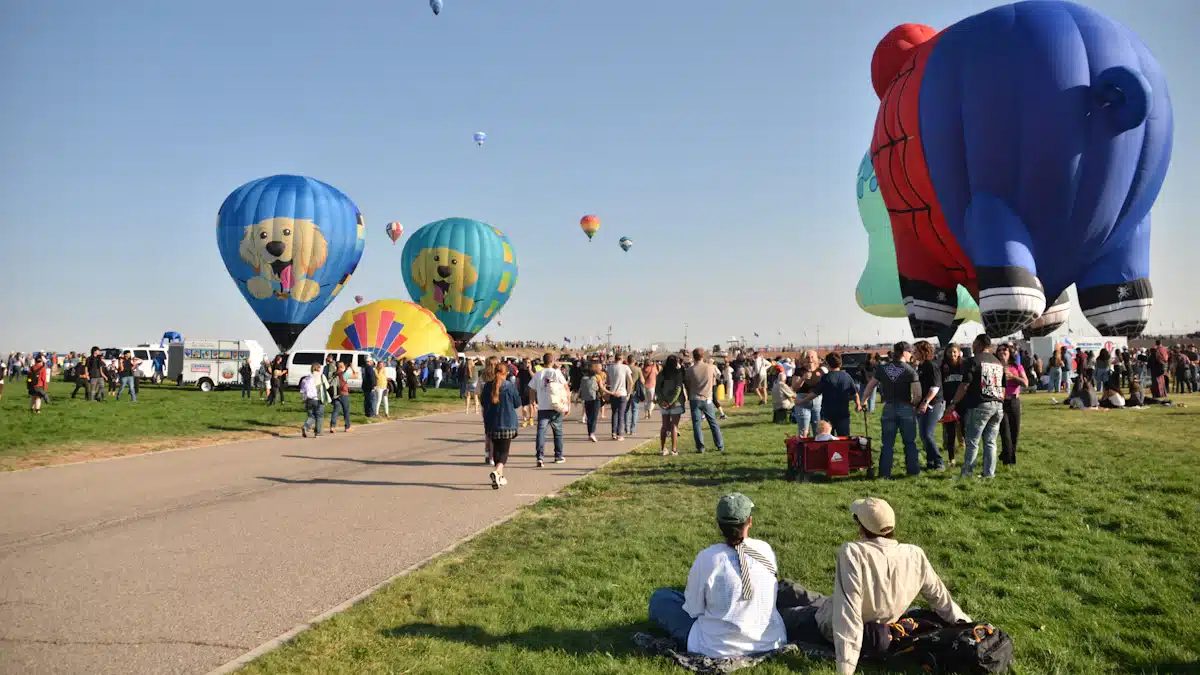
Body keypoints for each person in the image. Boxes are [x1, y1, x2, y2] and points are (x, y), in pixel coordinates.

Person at [777, 498, 970, 675]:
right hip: (838, 609)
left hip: (826, 624)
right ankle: (777, 586)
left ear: (861, 527)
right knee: (791, 589)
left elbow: (848, 614)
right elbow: (941, 599)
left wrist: (845, 668)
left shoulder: (854, 552)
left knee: (782, 615)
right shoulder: (914, 554)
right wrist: (967, 624)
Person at [648, 493, 787, 657]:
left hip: (716, 648)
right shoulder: (765, 549)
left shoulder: (708, 558)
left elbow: (693, 609)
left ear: (718, 524)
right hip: (770, 641)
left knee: (661, 598)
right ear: (750, 521)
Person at [861, 342, 921, 478]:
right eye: (910, 352)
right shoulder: (910, 370)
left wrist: (863, 401)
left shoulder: (882, 369)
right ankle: (913, 472)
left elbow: (870, 386)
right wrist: (913, 404)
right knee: (909, 442)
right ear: (905, 353)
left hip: (888, 407)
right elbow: (917, 393)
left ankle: (884, 473)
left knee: (887, 443)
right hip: (905, 406)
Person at [949, 334, 1005, 479]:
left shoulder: (973, 361)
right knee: (991, 442)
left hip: (980, 404)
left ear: (979, 345)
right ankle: (989, 474)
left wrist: (954, 402)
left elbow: (964, 384)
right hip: (998, 405)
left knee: (972, 441)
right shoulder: (998, 362)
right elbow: (1003, 387)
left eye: (974, 344)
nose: (972, 347)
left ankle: (967, 474)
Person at [797, 353, 861, 437]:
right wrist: (858, 405)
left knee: (827, 438)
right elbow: (855, 394)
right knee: (844, 438)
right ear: (840, 363)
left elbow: (815, 393)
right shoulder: (847, 376)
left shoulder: (826, 377)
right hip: (843, 413)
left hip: (827, 414)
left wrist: (802, 401)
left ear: (827, 364)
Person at [481, 358, 522, 489]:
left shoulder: (488, 386)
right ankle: (497, 470)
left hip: (492, 424)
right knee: (503, 453)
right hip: (507, 423)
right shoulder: (509, 386)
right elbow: (517, 403)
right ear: (507, 373)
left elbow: (483, 402)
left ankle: (499, 477)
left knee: (496, 452)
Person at [912, 341, 946, 472]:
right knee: (923, 435)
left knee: (927, 433)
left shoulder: (931, 366)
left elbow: (935, 387)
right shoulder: (921, 366)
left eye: (915, 351)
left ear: (923, 352)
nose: (913, 353)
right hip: (923, 404)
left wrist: (925, 402)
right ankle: (930, 462)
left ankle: (939, 462)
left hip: (934, 404)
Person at [532, 353, 569, 467]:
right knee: (557, 433)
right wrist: (568, 405)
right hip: (555, 406)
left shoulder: (538, 374)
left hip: (542, 407)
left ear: (543, 361)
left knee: (541, 432)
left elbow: (531, 389)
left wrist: (533, 402)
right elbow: (566, 388)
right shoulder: (557, 373)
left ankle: (540, 457)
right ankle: (558, 456)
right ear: (552, 361)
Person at [685, 348, 725, 453]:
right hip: (707, 397)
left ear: (693, 356)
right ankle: (719, 444)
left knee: (697, 424)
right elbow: (715, 379)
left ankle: (700, 447)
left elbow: (687, 384)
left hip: (695, 398)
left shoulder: (689, 370)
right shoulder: (710, 367)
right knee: (713, 422)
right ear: (703, 356)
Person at [997, 344, 1028, 466]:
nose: (1001, 352)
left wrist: (1012, 376)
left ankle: (1007, 454)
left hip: (1014, 401)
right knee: (1005, 433)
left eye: (1004, 350)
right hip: (1001, 402)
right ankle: (1009, 462)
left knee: (1014, 433)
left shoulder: (1017, 366)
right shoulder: (995, 366)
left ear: (1010, 352)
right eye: (999, 350)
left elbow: (1025, 383)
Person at [939, 345, 966, 466]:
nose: (952, 354)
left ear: (959, 353)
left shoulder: (964, 366)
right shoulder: (942, 367)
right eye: (949, 352)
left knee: (966, 431)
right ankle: (951, 459)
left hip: (963, 403)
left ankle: (968, 459)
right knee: (950, 432)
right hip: (949, 403)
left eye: (954, 352)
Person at [656, 355, 687, 456]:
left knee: (664, 426)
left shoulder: (661, 374)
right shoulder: (677, 374)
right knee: (674, 426)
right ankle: (674, 449)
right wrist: (670, 401)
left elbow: (657, 389)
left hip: (663, 403)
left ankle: (663, 448)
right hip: (676, 403)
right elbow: (678, 389)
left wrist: (662, 401)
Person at [605, 356, 633, 441]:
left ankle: (614, 433)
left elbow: (608, 381)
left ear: (615, 358)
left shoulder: (610, 367)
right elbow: (630, 382)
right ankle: (620, 434)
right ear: (622, 359)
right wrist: (628, 393)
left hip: (613, 393)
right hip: (622, 393)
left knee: (614, 413)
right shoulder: (625, 367)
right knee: (621, 414)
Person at [300, 363, 331, 437]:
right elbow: (327, 386)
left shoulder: (308, 377)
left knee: (311, 415)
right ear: (318, 368)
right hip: (319, 398)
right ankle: (318, 431)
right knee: (319, 415)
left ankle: (305, 426)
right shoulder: (321, 376)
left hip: (309, 399)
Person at [579, 362, 604, 442]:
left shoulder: (584, 377)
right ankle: (592, 433)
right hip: (595, 398)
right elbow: (601, 388)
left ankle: (589, 433)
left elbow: (581, 388)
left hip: (587, 398)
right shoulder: (597, 377)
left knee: (589, 417)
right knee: (594, 417)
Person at [328, 361, 354, 433]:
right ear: (342, 366)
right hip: (343, 393)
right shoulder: (344, 374)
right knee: (346, 410)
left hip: (335, 394)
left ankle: (332, 426)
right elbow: (355, 375)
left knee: (335, 411)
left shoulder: (334, 374)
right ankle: (347, 427)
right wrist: (351, 368)